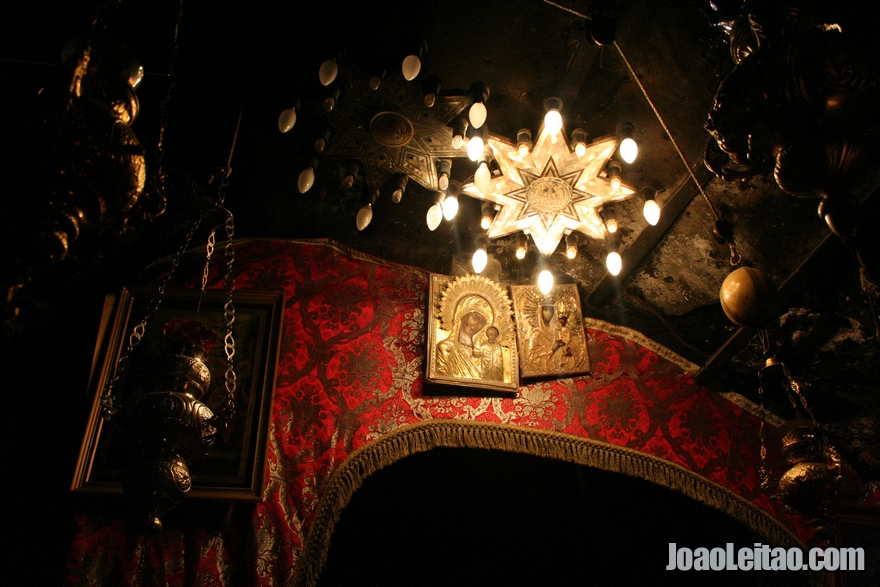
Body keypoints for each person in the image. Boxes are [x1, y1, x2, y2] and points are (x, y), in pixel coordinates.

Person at [435, 294, 492, 379]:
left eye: (482, 322)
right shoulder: (445, 348)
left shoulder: (482, 353)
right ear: (462, 315)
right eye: (475, 318)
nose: (477, 325)